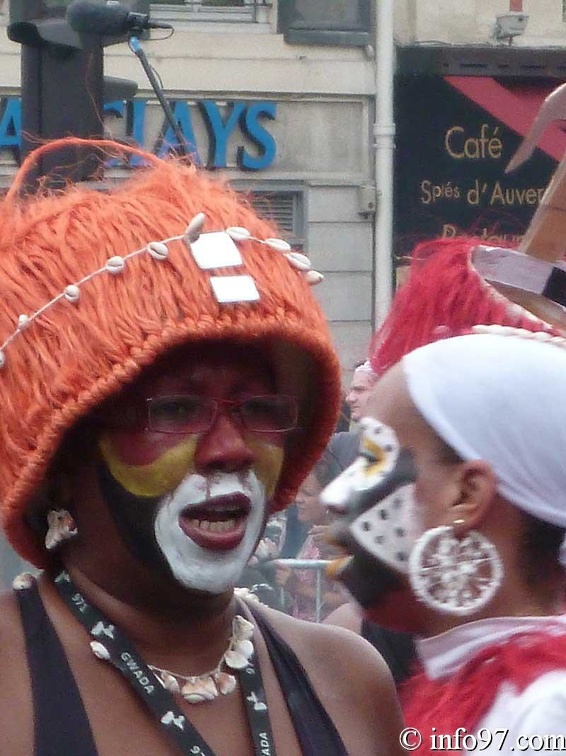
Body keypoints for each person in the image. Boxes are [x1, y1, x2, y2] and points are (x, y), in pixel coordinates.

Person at [0, 137, 404, 756]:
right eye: (176, 410)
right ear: (58, 464)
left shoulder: (346, 678)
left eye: (260, 410)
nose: (230, 449)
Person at [322, 327, 566, 754]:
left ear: (466, 494)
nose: (334, 496)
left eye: (372, 458)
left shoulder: (547, 710)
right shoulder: (474, 684)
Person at [275, 471, 346, 622]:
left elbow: (343, 602)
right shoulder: (310, 533)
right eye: (297, 492)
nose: (297, 499)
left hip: (326, 632)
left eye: (306, 494)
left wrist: (297, 586)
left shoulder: (335, 542)